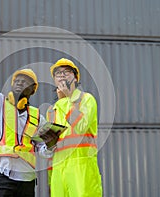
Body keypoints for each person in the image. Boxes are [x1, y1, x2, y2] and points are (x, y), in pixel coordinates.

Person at [0, 25, 53, 197]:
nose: (19, 83)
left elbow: (43, 150)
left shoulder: (37, 117)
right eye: (17, 80)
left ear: (33, 90)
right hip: (2, 176)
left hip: (27, 181)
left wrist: (51, 143)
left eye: (25, 81)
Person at [46, 58, 103, 197]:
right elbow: (51, 147)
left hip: (81, 168)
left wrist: (66, 99)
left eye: (67, 72)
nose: (62, 75)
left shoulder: (86, 99)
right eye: (58, 73)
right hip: (58, 171)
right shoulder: (52, 110)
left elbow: (80, 127)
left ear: (76, 78)